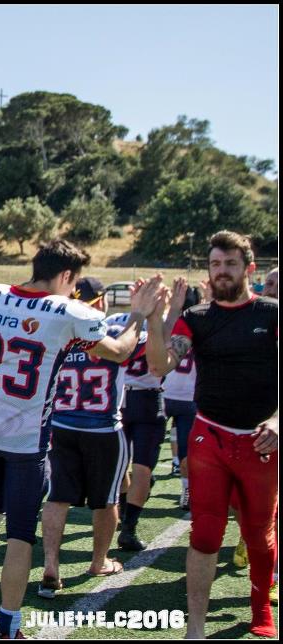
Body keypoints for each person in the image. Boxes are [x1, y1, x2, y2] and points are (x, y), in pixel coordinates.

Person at [0, 241, 163, 639]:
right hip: (25, 442)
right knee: (20, 536)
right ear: (66, 276)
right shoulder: (67, 311)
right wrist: (137, 314)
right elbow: (118, 352)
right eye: (74, 281)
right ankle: (8, 626)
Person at [145, 230, 278, 638]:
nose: (221, 271)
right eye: (215, 264)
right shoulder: (197, 317)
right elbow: (160, 366)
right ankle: (196, 626)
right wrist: (153, 318)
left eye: (230, 264)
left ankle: (259, 608)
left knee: (258, 533)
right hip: (210, 438)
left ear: (249, 269)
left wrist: (278, 420)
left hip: (261, 440)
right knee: (205, 531)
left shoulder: (272, 313)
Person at [38, 277, 140, 598]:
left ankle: (51, 566)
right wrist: (142, 315)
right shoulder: (106, 333)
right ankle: (98, 562)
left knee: (57, 497)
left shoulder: (58, 330)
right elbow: (138, 352)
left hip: (61, 426)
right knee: (106, 499)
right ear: (101, 301)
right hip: (103, 429)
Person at [106, 277, 187, 551]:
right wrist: (172, 310)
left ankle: (122, 513)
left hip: (118, 398)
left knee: (121, 465)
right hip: (148, 400)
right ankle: (129, 528)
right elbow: (163, 352)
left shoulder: (117, 321)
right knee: (142, 468)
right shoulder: (157, 324)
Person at [162, 285, 201, 512]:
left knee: (146, 449)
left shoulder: (168, 325)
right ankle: (186, 489)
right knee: (188, 451)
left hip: (164, 393)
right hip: (190, 398)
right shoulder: (203, 324)